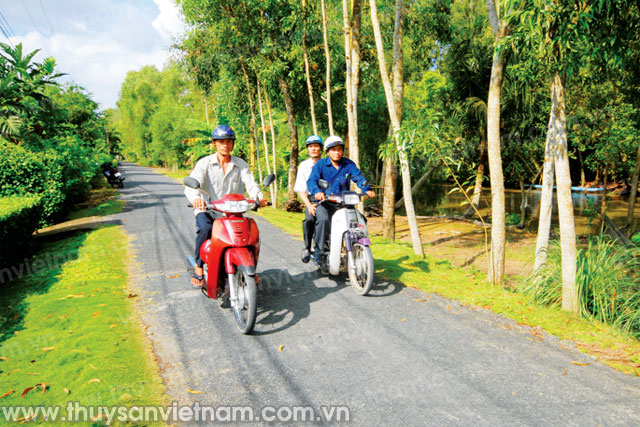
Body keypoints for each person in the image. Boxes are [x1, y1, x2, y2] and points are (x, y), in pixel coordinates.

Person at [184, 125, 268, 293]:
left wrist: (258, 197)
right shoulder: (205, 163)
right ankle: (199, 267)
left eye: (229, 142)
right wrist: (197, 200)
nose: (225, 145)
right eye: (221, 142)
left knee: (249, 235)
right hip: (208, 208)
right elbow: (191, 185)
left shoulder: (240, 164)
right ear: (215, 143)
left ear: (232, 144)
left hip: (233, 211)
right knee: (205, 228)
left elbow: (250, 183)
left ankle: (248, 267)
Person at [306, 135, 375, 266]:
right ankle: (320, 252)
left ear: (342, 151)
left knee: (361, 220)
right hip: (326, 202)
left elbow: (358, 177)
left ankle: (358, 247)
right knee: (323, 220)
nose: (336, 152)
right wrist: (317, 192)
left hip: (344, 203)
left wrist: (367, 189)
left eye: (339, 149)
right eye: (333, 150)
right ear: (327, 152)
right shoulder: (321, 164)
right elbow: (312, 181)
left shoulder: (348, 164)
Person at [293, 135, 323, 263]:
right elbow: (301, 189)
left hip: (328, 199)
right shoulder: (304, 166)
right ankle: (307, 246)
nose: (313, 149)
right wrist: (309, 205)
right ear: (307, 149)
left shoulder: (327, 163)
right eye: (311, 147)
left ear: (321, 148)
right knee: (309, 219)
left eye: (316, 146)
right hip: (311, 199)